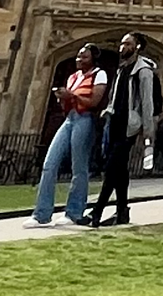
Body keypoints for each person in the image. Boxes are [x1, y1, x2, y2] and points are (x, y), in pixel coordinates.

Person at [86, 32, 162, 228]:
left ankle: (97, 211)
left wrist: (148, 130)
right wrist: (108, 110)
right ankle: (122, 211)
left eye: (127, 44)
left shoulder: (143, 72)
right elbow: (115, 95)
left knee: (111, 168)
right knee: (120, 170)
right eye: (121, 43)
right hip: (115, 123)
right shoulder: (121, 69)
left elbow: (147, 102)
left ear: (137, 47)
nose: (122, 47)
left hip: (130, 125)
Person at [28, 45, 109, 228]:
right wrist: (62, 97)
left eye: (84, 57)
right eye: (78, 56)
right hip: (70, 118)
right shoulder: (73, 77)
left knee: (78, 167)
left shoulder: (99, 74)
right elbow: (70, 99)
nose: (79, 60)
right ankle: (41, 214)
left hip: (85, 119)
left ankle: (73, 212)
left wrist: (71, 94)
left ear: (93, 59)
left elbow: (94, 101)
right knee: (50, 164)